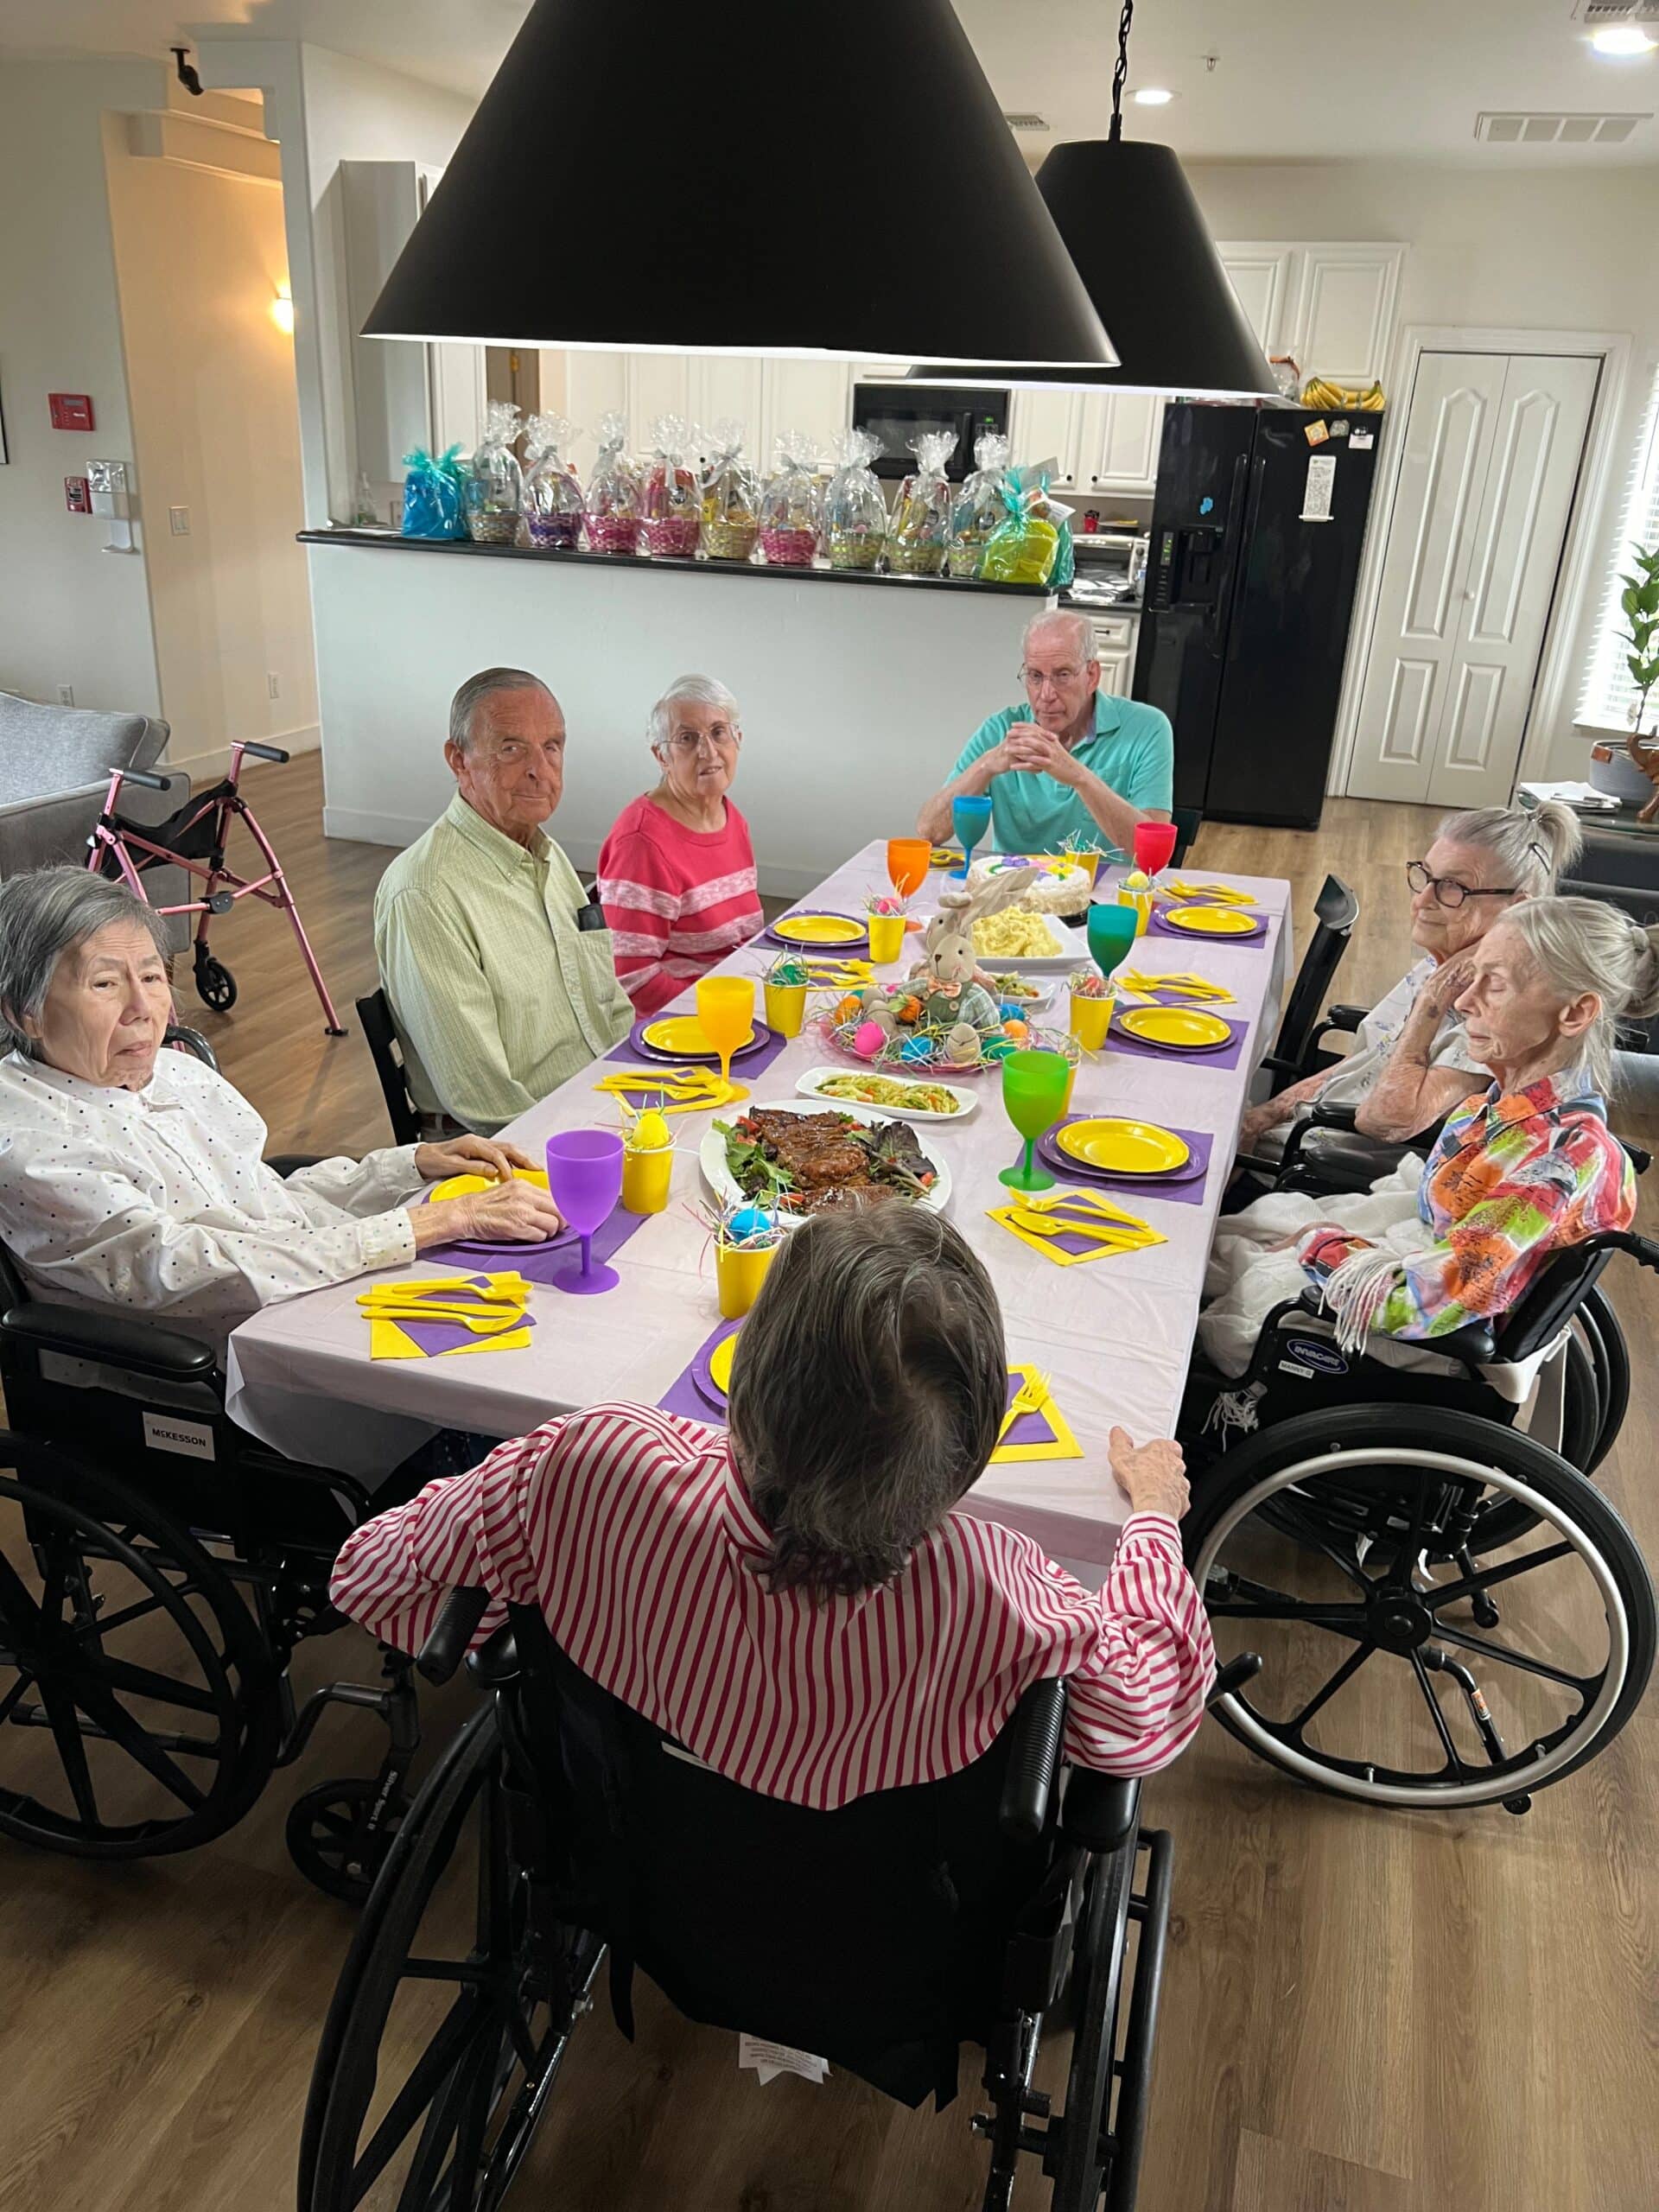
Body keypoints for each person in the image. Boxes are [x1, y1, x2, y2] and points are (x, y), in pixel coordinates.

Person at [330, 1207, 1216, 1808]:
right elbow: (1143, 1714)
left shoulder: (588, 1464)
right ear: (970, 1459)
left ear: (738, 1389)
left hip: (636, 1853)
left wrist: (536, 1572)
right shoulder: (1007, 1594)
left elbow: (374, 1578)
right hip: (875, 1920)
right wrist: (1151, 1519)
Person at [0, 868, 564, 1352]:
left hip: (315, 1299)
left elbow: (268, 1204)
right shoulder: (31, 1145)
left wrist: (410, 1167)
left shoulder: (169, 1073)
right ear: (24, 1012)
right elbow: (185, 1268)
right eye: (104, 983)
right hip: (236, 1366)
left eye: (151, 976)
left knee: (546, 1287)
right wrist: (423, 1224)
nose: (143, 1009)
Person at [1199, 897, 1658, 1379]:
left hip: (1428, 1339)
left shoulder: (1556, 1163)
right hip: (1419, 1263)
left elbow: (1418, 1305)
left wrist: (1317, 1243)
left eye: (1495, 985)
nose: (1463, 1002)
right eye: (1473, 977)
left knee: (1215, 1311)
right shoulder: (1505, 1105)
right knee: (1220, 1243)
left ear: (1576, 1013)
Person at [1239, 799, 1584, 1163]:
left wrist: (1434, 999)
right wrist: (1265, 1115)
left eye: (1454, 888)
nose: (1422, 900)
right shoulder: (1443, 960)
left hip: (1325, 1166)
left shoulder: (1495, 1015)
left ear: (1516, 907)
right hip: (1297, 1132)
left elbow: (1388, 1122)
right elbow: (1367, 1061)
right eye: (1426, 876)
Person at [373, 668, 633, 1137]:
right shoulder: (424, 894)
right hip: (510, 1151)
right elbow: (486, 1102)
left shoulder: (546, 855)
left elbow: (608, 1010)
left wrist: (644, 1098)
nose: (540, 769)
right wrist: (606, 1138)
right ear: (459, 759)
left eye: (552, 747)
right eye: (511, 748)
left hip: (600, 1102)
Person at [915, 609, 1173, 863]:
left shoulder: (1147, 727)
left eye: (1062, 675)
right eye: (1035, 677)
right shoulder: (1000, 730)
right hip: (1015, 893)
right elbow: (930, 832)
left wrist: (1079, 777)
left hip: (1105, 896)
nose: (1046, 694)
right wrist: (986, 766)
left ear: (1092, 675)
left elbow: (1152, 852)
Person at [596, 674, 766, 1016]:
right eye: (687, 738)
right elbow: (631, 980)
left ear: (738, 740)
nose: (708, 751)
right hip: (684, 1028)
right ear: (662, 756)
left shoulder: (728, 815)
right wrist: (726, 1012)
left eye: (719, 732)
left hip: (740, 1002)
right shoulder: (641, 844)